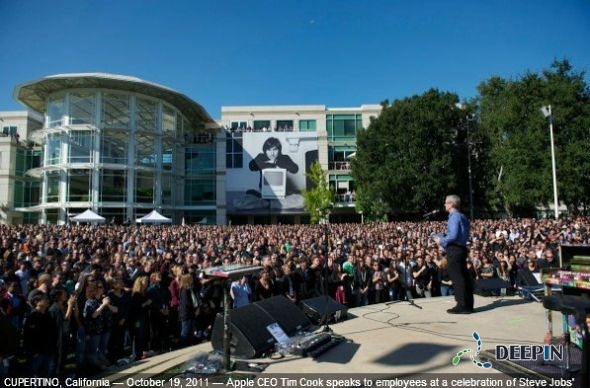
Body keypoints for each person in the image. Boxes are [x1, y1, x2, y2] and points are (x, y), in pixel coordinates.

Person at [435, 195, 474, 314]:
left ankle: (461, 305)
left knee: (457, 277)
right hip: (461, 248)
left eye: (446, 203)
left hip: (454, 250)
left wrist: (441, 241)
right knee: (463, 276)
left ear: (451, 204)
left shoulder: (453, 217)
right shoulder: (462, 216)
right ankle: (468, 304)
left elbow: (453, 235)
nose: (444, 205)